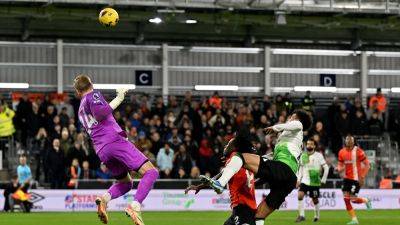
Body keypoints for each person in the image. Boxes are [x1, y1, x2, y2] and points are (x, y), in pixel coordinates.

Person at [201, 109, 312, 225]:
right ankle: (219, 181)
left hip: (284, 170)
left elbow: (295, 124)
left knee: (241, 157)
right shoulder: (291, 144)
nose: (290, 119)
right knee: (258, 216)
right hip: (289, 181)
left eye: (292, 117)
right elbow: (267, 158)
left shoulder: (298, 126)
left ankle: (220, 183)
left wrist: (275, 127)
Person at [74, 74, 158, 225]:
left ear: (78, 92)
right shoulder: (93, 95)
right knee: (151, 172)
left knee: (126, 183)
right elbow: (100, 114)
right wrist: (119, 98)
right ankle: (135, 206)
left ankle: (104, 199)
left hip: (101, 150)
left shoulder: (80, 108)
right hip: (113, 140)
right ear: (91, 84)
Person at [185, 148, 256, 225]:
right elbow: (216, 178)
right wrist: (199, 187)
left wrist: (200, 187)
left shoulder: (234, 162)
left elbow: (218, 177)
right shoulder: (245, 162)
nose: (226, 147)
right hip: (246, 207)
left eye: (228, 144)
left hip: (242, 207)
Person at [337, 135, 372, 225]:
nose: (348, 141)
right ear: (345, 141)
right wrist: (339, 168)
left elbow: (367, 165)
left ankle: (366, 200)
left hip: (356, 179)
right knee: (346, 199)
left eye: (350, 140)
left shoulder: (359, 151)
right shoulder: (341, 152)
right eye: (347, 140)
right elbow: (340, 164)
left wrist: (362, 176)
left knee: (353, 199)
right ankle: (354, 220)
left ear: (353, 142)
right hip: (346, 178)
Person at [295, 139, 329, 223]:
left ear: (314, 146)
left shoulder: (319, 155)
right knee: (300, 195)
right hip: (305, 180)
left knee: (315, 199)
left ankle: (317, 216)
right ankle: (302, 215)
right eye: (308, 144)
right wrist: (299, 179)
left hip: (314, 181)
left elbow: (326, 167)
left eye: (311, 144)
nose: (309, 145)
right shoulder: (303, 155)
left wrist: (323, 179)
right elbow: (301, 168)